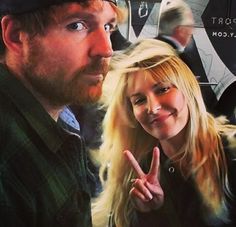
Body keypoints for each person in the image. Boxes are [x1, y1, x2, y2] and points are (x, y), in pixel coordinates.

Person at [0, 0, 123, 226]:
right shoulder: (9, 161)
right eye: (77, 25)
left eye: (108, 27)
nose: (106, 49)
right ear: (17, 35)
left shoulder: (60, 119)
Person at [92, 39, 236, 227]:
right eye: (139, 100)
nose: (152, 107)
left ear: (187, 89)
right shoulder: (135, 171)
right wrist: (148, 212)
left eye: (162, 89)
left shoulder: (230, 152)